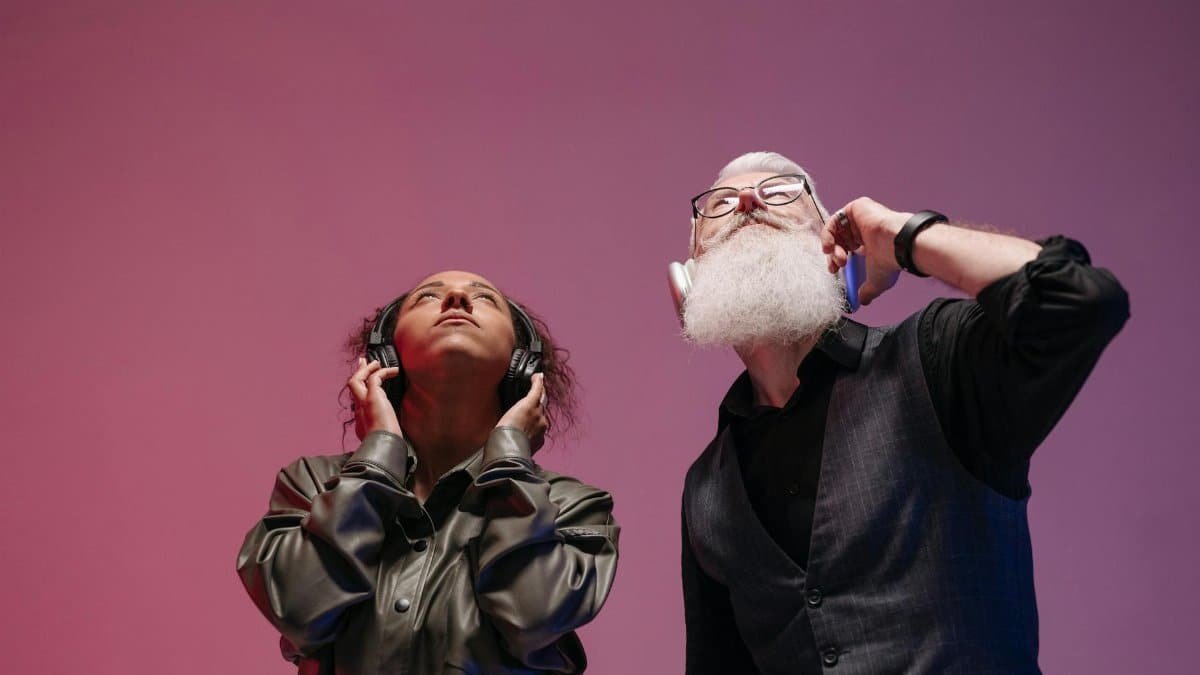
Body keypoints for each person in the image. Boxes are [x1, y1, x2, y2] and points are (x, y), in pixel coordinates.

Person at [674, 152, 1129, 674]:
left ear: (832, 241)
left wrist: (906, 237)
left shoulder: (933, 357)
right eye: (721, 204)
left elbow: (1081, 299)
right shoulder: (706, 487)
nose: (749, 201)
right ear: (690, 273)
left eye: (780, 193)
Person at [236, 270, 619, 674]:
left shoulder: (573, 506)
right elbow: (299, 609)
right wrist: (379, 454)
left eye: (485, 298)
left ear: (522, 365)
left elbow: (532, 617)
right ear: (386, 354)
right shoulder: (311, 484)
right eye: (427, 297)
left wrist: (510, 459)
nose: (456, 298)